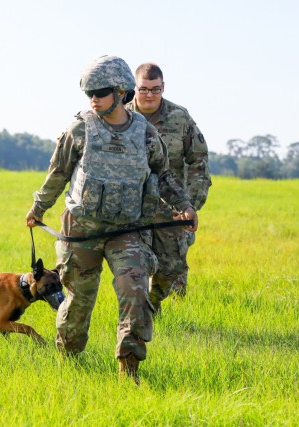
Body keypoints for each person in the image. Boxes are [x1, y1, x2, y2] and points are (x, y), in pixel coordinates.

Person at [25, 55, 198, 384]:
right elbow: (58, 173)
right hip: (81, 230)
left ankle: (128, 369)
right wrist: (38, 209)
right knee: (79, 299)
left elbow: (163, 175)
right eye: (89, 92)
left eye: (101, 91)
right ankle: (70, 361)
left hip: (126, 231)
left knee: (135, 292)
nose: (93, 98)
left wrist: (184, 205)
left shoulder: (145, 134)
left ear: (121, 92)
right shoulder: (80, 128)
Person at [126, 63, 211, 309]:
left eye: (155, 89)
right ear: (135, 88)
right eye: (143, 89)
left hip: (171, 207)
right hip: (133, 206)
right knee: (136, 264)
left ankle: (161, 307)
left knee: (173, 266)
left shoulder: (180, 117)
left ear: (163, 88)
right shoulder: (120, 116)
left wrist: (191, 204)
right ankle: (142, 314)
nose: (149, 95)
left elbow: (199, 161)